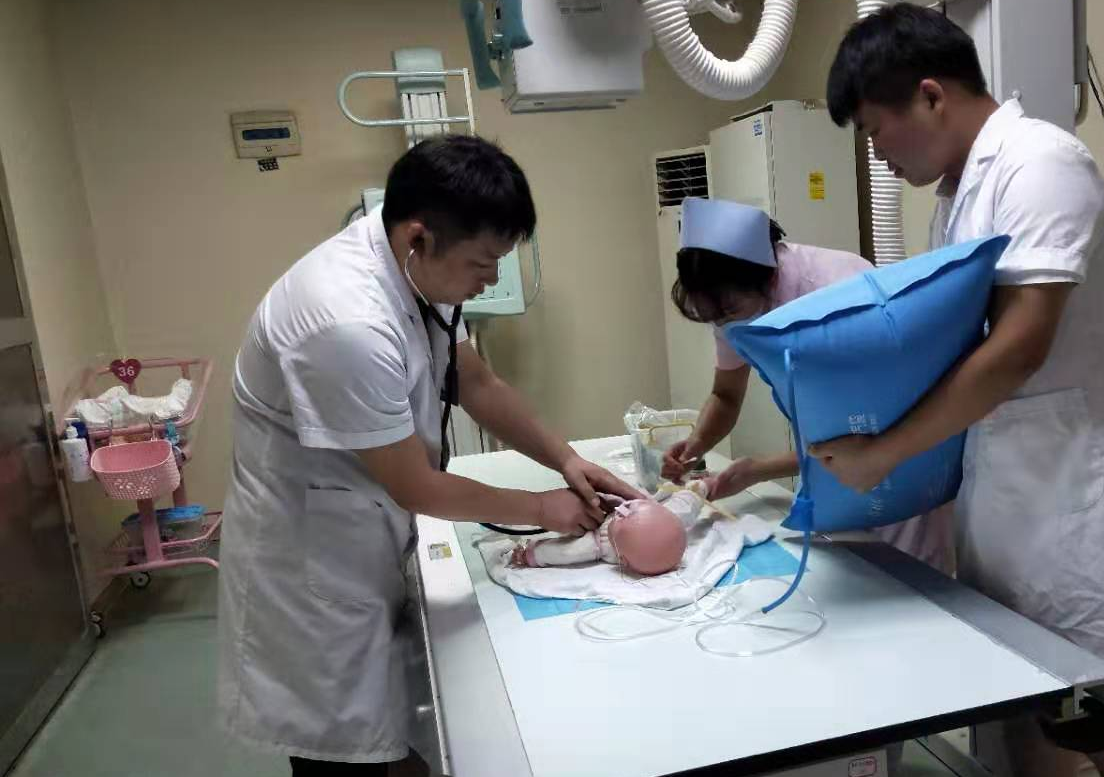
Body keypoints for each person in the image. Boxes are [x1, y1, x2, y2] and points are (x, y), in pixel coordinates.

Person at [817, 6, 1104, 777]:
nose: (878, 155)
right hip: (1004, 509)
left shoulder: (1039, 164)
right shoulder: (958, 195)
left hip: (1067, 511)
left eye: (877, 131)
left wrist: (884, 454)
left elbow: (1017, 348)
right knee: (1027, 714)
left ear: (931, 95)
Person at [216, 135, 644, 776]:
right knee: (338, 750)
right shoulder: (343, 321)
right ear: (419, 237)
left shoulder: (416, 270)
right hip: (310, 557)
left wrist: (566, 460)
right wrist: (542, 509)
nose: (490, 279)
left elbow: (475, 381)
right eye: (482, 263)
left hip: (362, 521)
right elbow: (414, 485)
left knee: (398, 722)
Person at [660, 196, 953, 575]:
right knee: (838, 575)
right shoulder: (730, 306)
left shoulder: (840, 294)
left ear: (770, 279)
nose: (724, 326)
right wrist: (696, 445)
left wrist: (759, 468)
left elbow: (874, 430)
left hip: (896, 468)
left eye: (728, 313)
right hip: (831, 465)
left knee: (908, 586)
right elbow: (725, 394)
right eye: (714, 318)